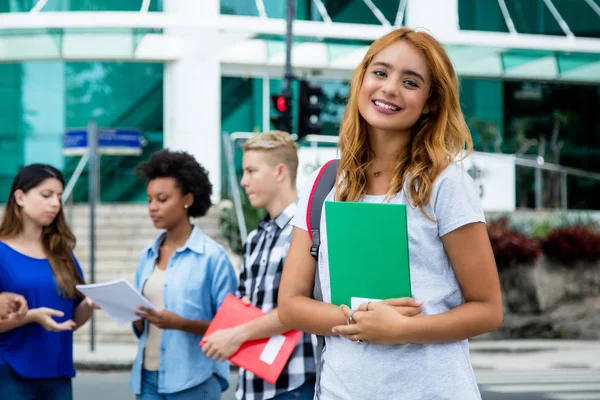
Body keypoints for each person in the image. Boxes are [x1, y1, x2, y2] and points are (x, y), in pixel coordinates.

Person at [278, 27, 503, 400]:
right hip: (340, 391)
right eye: (380, 72)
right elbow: (290, 305)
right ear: (362, 79)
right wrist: (357, 319)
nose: (389, 88)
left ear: (430, 102)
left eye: (411, 82)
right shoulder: (327, 183)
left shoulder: (444, 183)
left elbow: (488, 309)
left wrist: (402, 330)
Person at [202, 131, 316, 400]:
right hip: (252, 385)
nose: (243, 181)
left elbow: (300, 308)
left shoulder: (308, 233)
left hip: (294, 385)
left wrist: (235, 335)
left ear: (280, 172)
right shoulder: (254, 239)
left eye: (251, 171)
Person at [130, 149, 238, 400]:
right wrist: (135, 315)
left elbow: (230, 327)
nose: (153, 207)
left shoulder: (212, 256)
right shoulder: (148, 255)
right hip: (147, 380)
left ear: (187, 199)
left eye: (162, 199)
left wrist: (179, 323)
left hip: (194, 381)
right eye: (149, 200)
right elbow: (143, 327)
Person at [0, 163, 97, 400]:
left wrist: (90, 305)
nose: (55, 203)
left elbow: (70, 319)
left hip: (58, 376)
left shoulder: (61, 252)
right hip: (10, 374)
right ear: (20, 197)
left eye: (59, 197)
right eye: (46, 195)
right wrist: (31, 317)